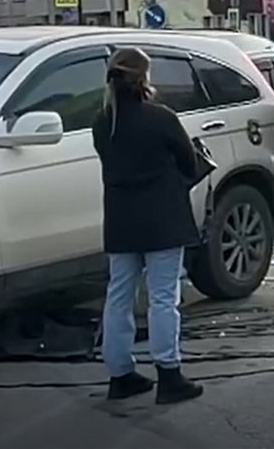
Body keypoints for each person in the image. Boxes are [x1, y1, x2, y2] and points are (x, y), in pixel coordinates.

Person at [92, 47, 205, 405]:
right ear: (144, 77)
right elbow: (188, 163)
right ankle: (169, 375)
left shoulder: (103, 123)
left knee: (119, 297)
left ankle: (120, 375)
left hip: (121, 223)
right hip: (162, 221)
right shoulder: (161, 118)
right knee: (162, 298)